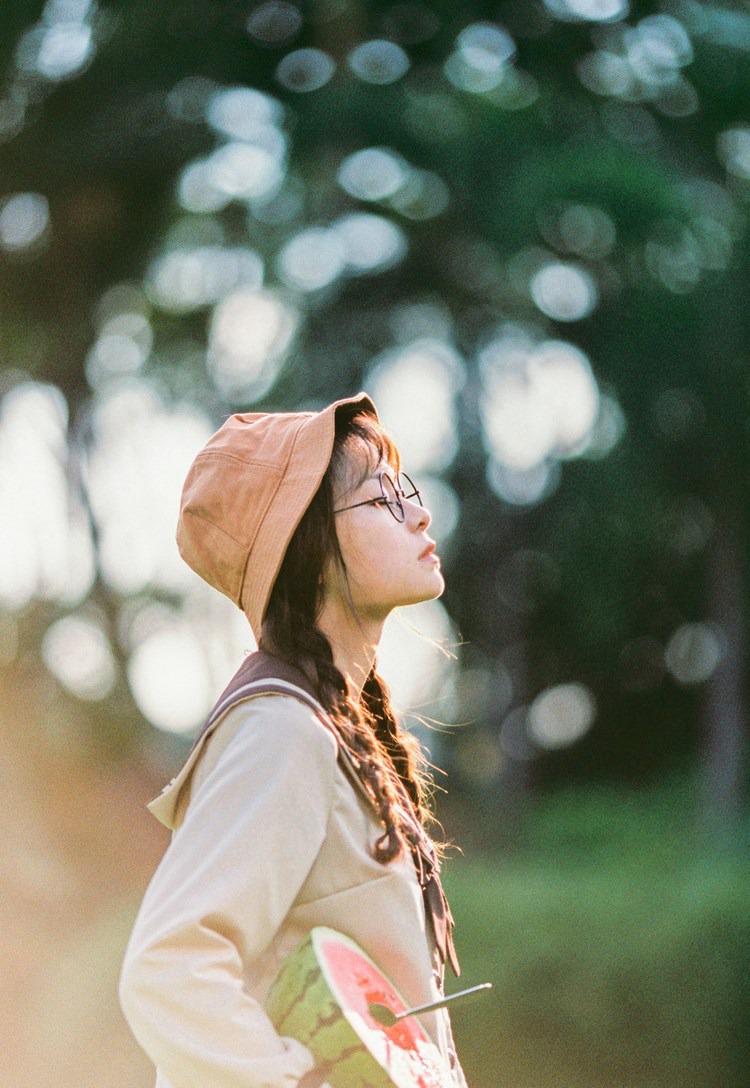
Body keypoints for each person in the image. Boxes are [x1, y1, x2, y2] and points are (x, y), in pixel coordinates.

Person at [119, 392, 466, 1088]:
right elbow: (169, 965)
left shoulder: (334, 731)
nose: (420, 514)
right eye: (381, 501)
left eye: (410, 492)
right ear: (306, 549)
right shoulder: (282, 730)